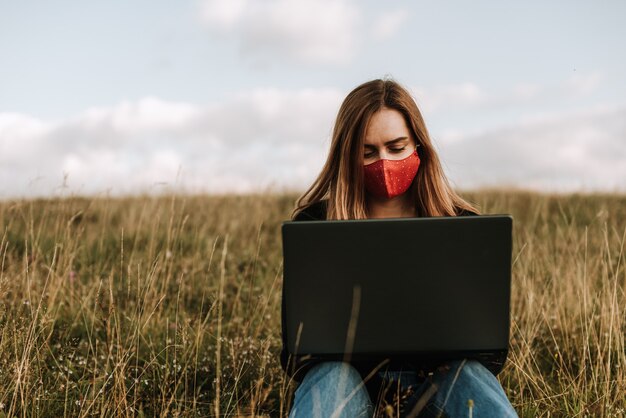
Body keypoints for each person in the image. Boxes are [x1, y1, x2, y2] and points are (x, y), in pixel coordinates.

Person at [281, 78, 517, 417]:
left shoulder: (461, 224)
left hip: (439, 381)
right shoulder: (315, 224)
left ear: (418, 145)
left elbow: (491, 356)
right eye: (368, 152)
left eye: (396, 147)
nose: (384, 162)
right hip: (350, 384)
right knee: (331, 378)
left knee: (471, 376)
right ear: (346, 156)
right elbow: (296, 357)